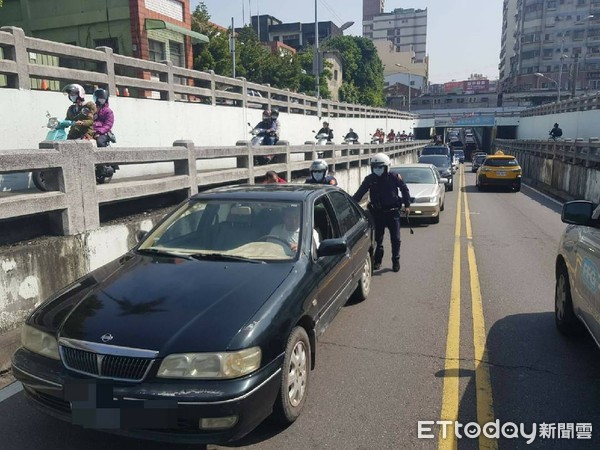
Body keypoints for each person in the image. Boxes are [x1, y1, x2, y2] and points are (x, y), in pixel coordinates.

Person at [352, 153, 411, 273]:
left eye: (380, 167)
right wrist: (350, 204)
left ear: (387, 167)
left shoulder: (395, 177)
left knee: (396, 239)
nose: (377, 170)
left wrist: (407, 204)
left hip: (393, 213)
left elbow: (404, 189)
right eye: (375, 167)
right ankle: (378, 260)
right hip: (377, 214)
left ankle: (396, 260)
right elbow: (359, 193)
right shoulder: (370, 179)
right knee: (378, 239)